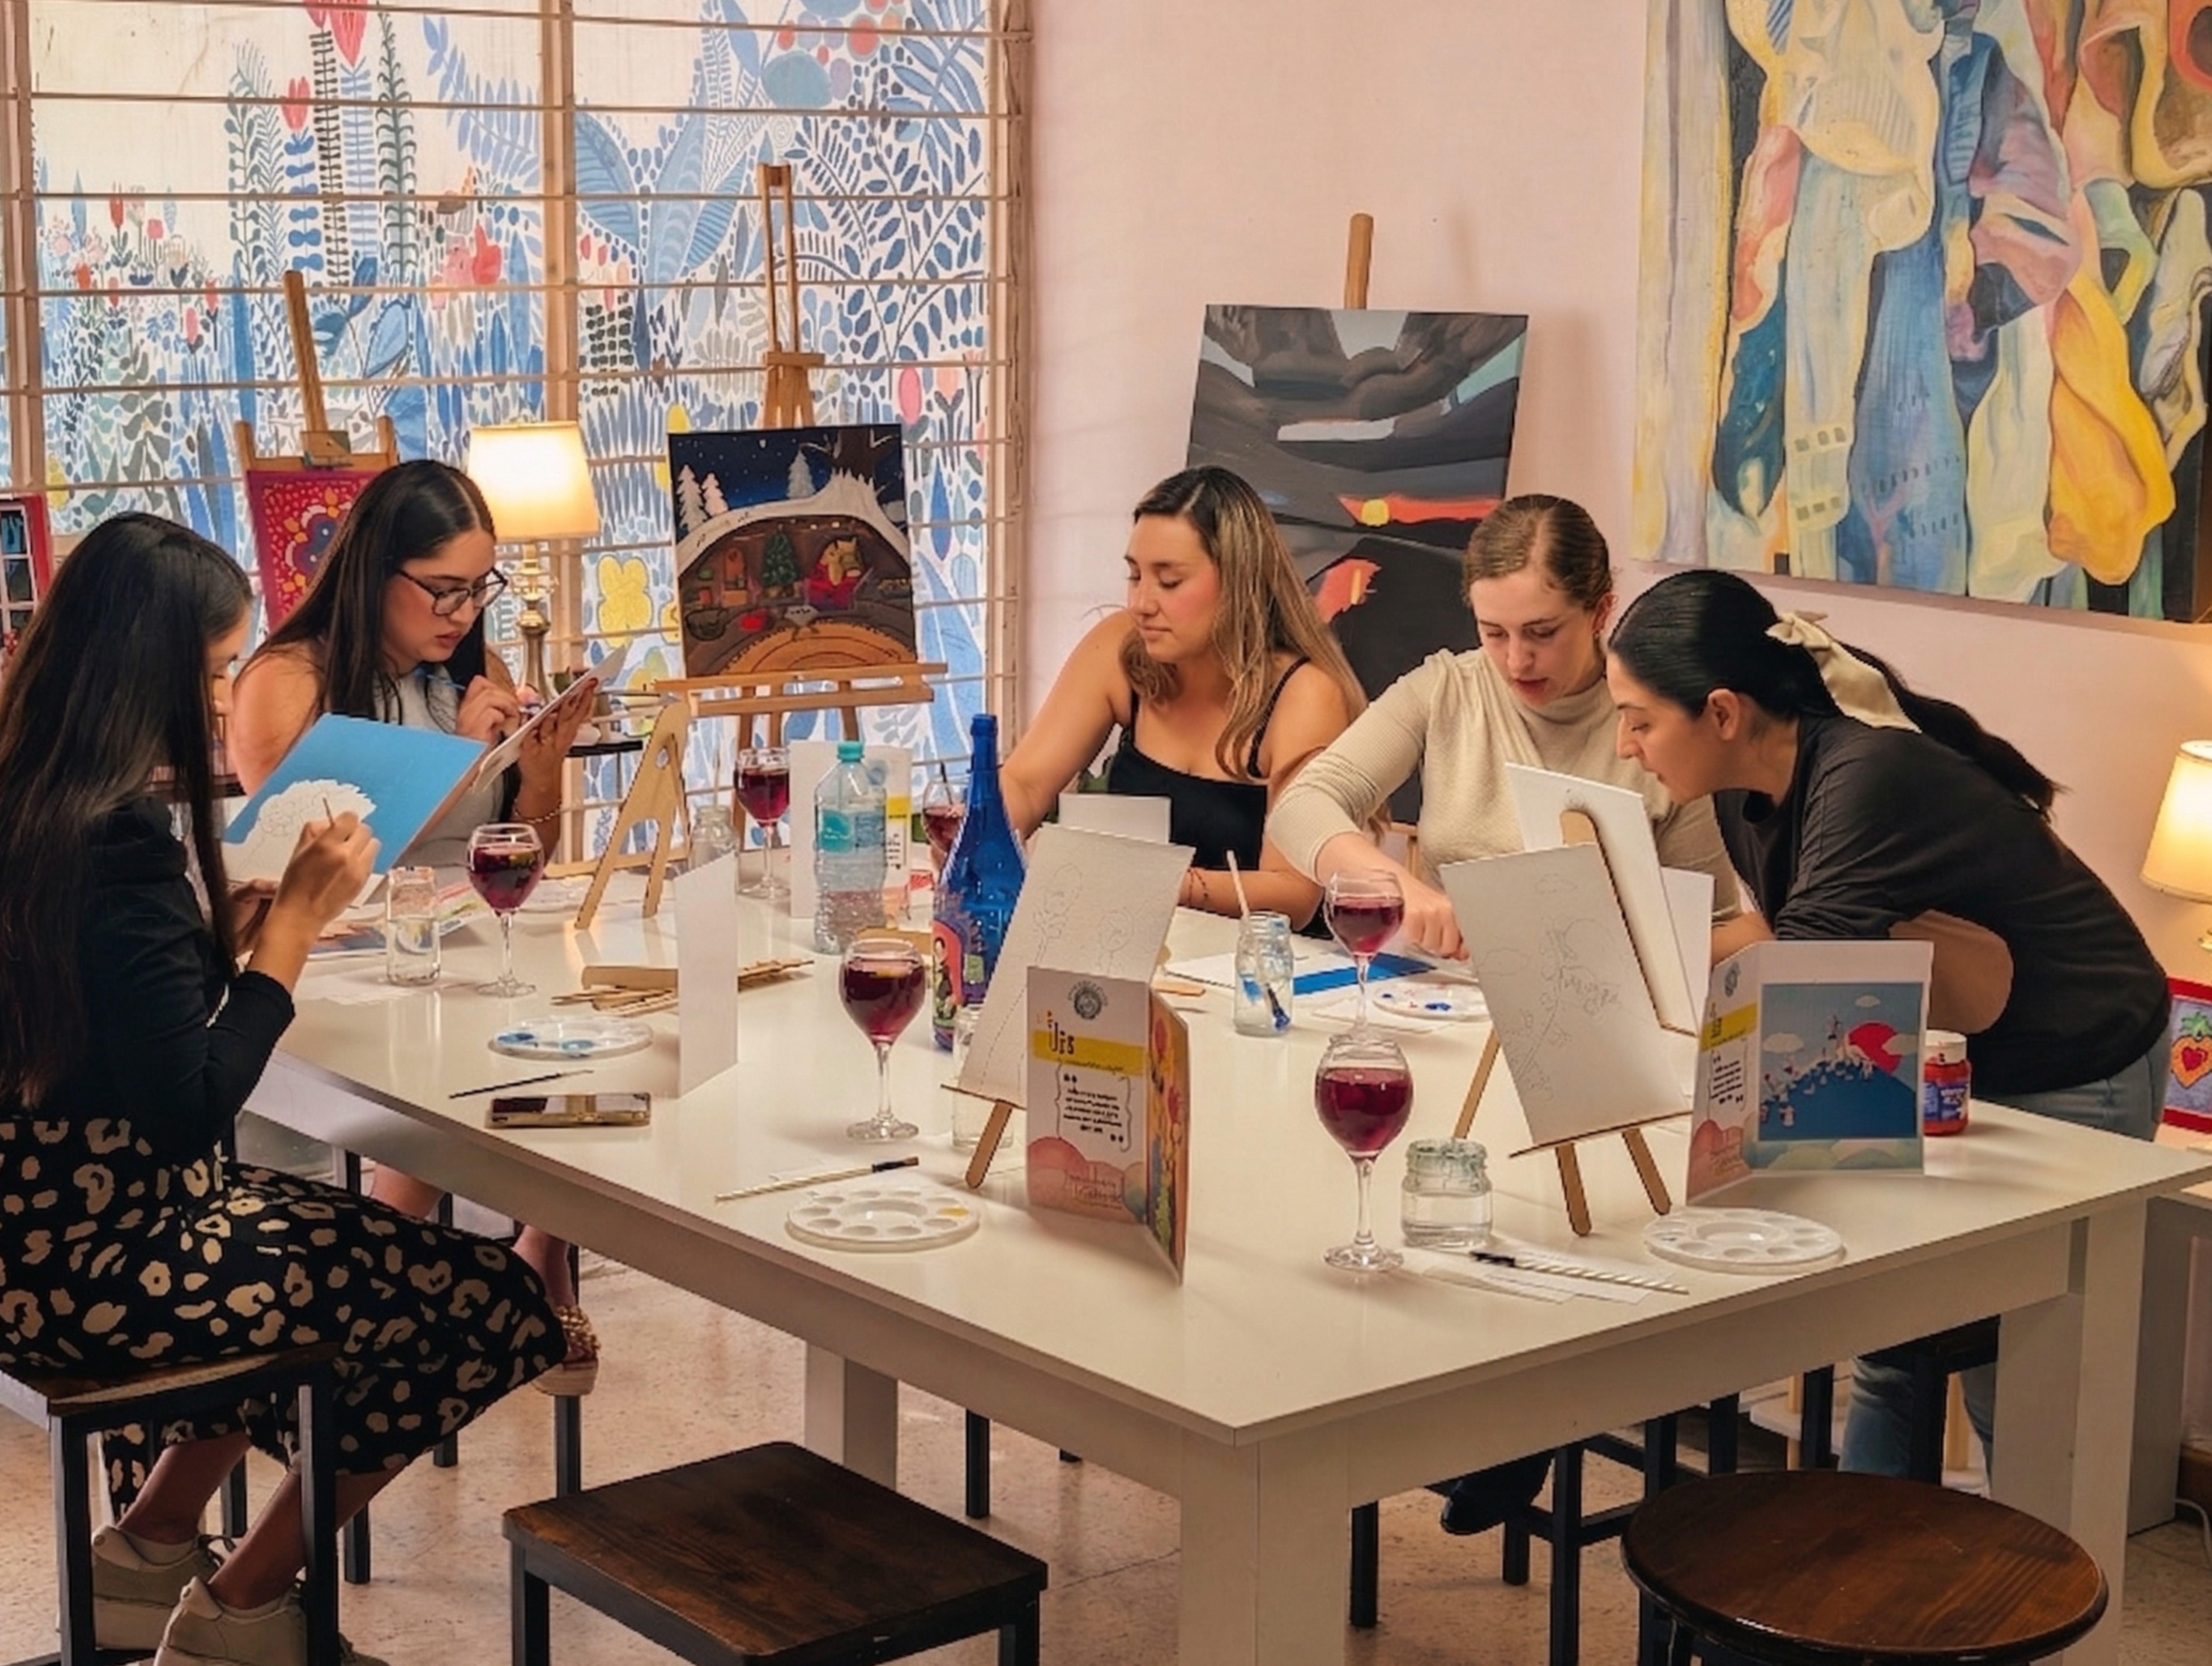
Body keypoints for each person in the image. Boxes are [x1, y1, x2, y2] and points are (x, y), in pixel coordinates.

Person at [0, 514, 559, 1666]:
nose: (217, 703)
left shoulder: (33, 804)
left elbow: (97, 1019)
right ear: (142, 675)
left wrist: (209, 944)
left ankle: (146, 1554)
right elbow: (192, 1105)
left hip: (31, 1239)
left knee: (344, 1252)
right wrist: (290, 934)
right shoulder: (122, 839)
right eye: (210, 673)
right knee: (492, 1305)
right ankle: (245, 1611)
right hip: (98, 1268)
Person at [1607, 566, 2171, 1476]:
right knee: (1896, 1346)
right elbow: (1787, 932)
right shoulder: (1744, 788)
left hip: (2081, 1057)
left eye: (1639, 717)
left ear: (1719, 711)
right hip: (1963, 1054)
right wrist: (1631, 954)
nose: (1627, 744)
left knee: (2007, 1376)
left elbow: (1799, 975)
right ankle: (1870, 1598)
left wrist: (1644, 996)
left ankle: (2030, 1596)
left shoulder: (1868, 775)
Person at [228, 460, 599, 1394]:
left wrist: (542, 764)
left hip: (471, 940)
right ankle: (416, 1285)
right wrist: (464, 757)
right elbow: (314, 863)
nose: (463, 613)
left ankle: (536, 1249)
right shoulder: (286, 680)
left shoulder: (480, 674)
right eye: (442, 589)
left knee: (591, 1034)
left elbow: (525, 854)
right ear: (374, 572)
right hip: (335, 958)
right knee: (461, 1065)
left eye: (481, 588)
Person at [1269, 494, 1740, 958]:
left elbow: (1716, 931)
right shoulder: (1446, 689)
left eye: (1543, 633)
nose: (1517, 661)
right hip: (1438, 998)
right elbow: (1301, 807)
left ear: (1601, 612)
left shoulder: (1661, 724)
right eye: (1493, 633)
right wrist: (1399, 889)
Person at [998, 466, 1362, 927]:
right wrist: (982, 837)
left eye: (1169, 582)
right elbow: (1027, 783)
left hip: (1267, 968)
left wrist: (1158, 882)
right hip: (1142, 946)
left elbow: (1294, 891)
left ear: (1238, 583)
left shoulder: (1305, 695)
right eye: (1135, 576)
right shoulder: (1121, 647)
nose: (1141, 604)